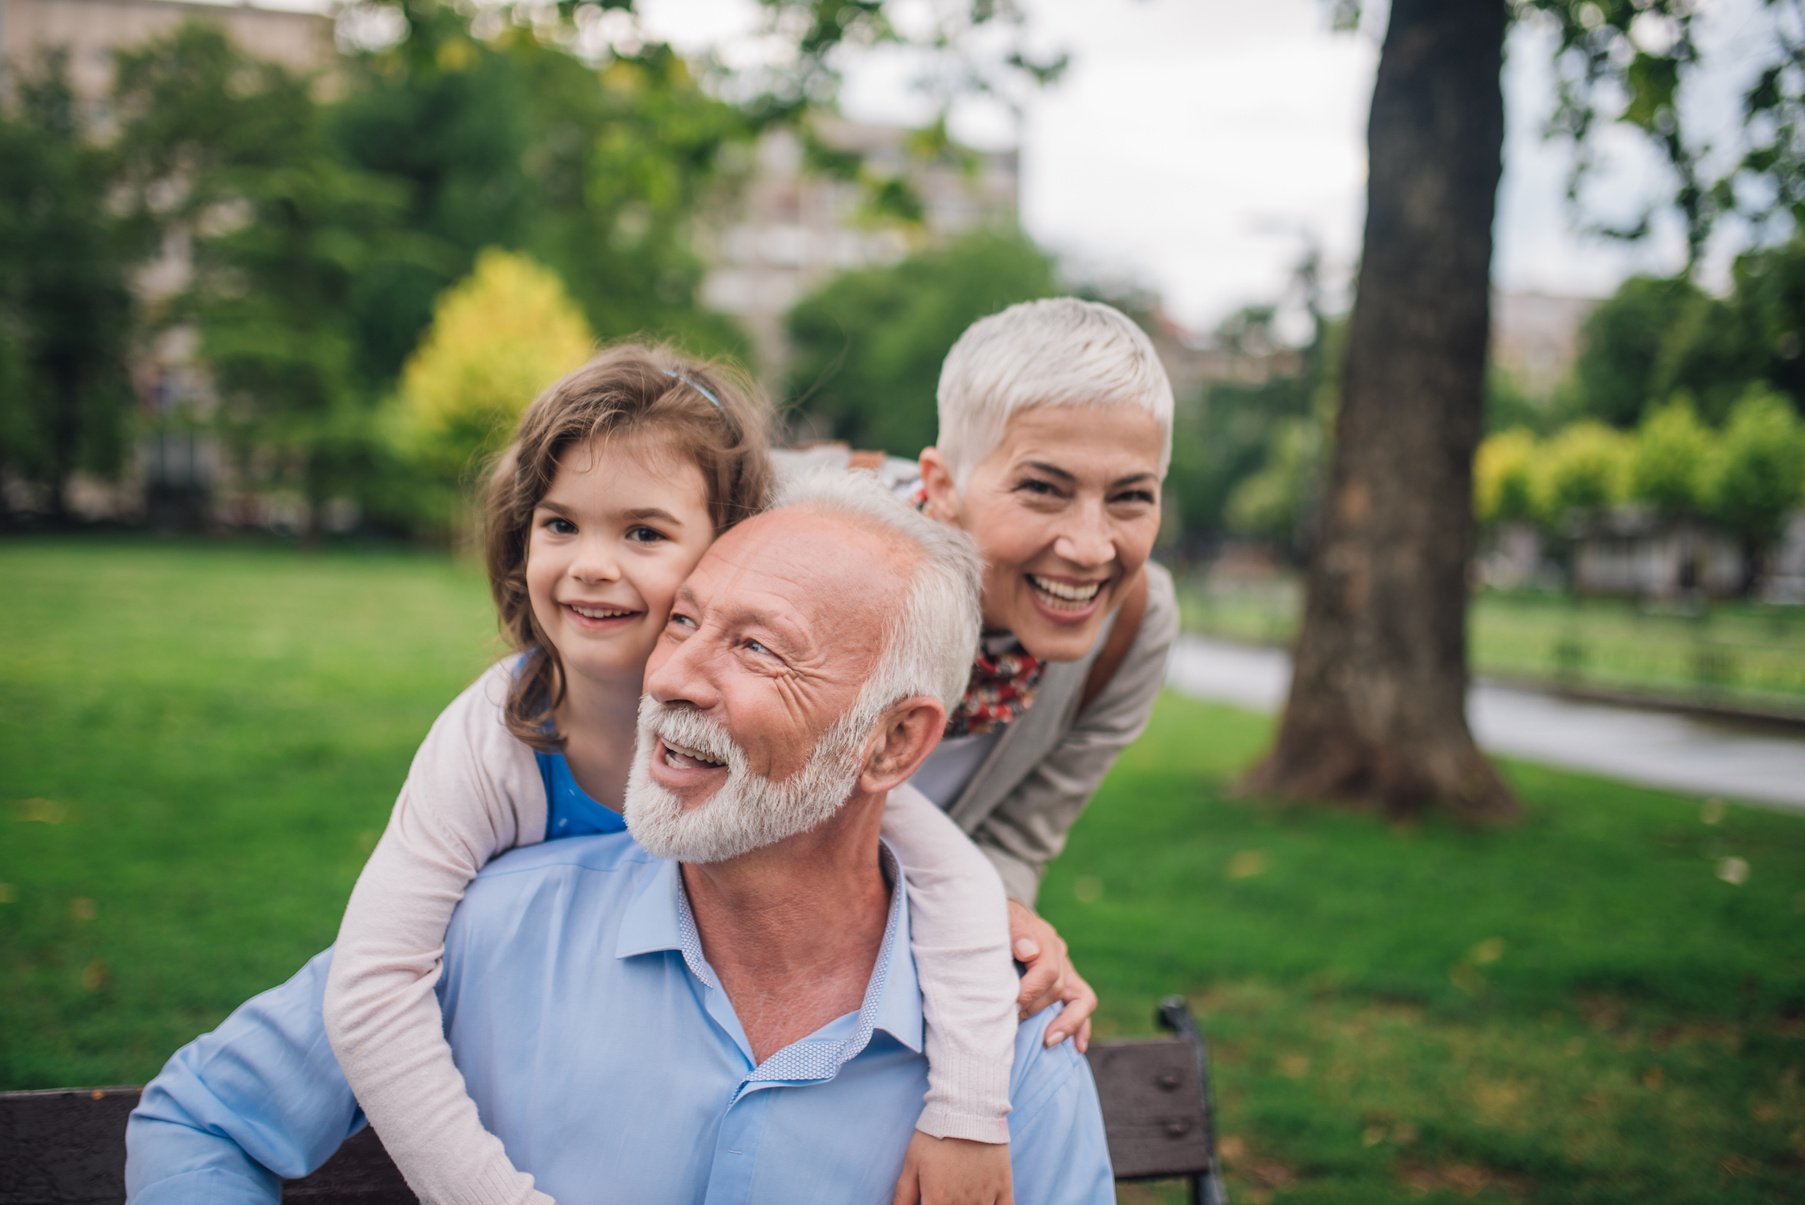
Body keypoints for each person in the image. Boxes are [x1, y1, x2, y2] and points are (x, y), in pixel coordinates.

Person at [125, 476, 1114, 1204]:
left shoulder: (1012, 1046)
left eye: (756, 646)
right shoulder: (492, 929)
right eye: (681, 620)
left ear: (893, 741)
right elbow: (199, 1122)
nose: (675, 673)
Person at [319, 348, 1019, 1205]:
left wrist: (967, 1108)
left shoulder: (795, 747)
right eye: (558, 523)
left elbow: (955, 883)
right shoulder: (497, 733)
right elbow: (373, 983)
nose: (591, 564)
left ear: (730, 543)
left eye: (642, 532)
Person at [803, 298, 1179, 1052]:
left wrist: (1006, 935)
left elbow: (1014, 837)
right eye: (1043, 487)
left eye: (1130, 496)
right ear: (942, 484)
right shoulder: (811, 557)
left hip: (893, 952)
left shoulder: (1133, 626)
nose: (1089, 546)